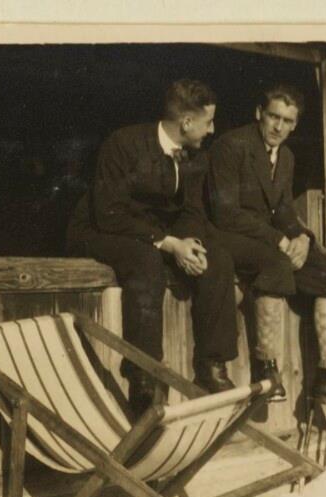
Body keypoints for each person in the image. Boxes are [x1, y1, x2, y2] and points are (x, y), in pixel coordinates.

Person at [67, 79, 238, 416]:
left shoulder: (196, 157)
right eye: (208, 122)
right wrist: (169, 244)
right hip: (101, 229)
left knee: (217, 257)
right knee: (146, 261)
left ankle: (211, 367)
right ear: (186, 122)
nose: (212, 130)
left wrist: (189, 243)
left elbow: (191, 211)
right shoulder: (124, 144)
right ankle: (144, 379)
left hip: (152, 235)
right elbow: (109, 213)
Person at [207, 84, 326, 408]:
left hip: (268, 241)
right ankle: (267, 369)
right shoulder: (231, 146)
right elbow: (225, 213)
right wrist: (279, 240)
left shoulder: (285, 157)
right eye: (273, 117)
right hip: (229, 236)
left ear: (294, 125)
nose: (278, 127)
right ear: (259, 113)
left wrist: (301, 237)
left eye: (287, 121)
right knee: (276, 264)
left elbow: (283, 209)